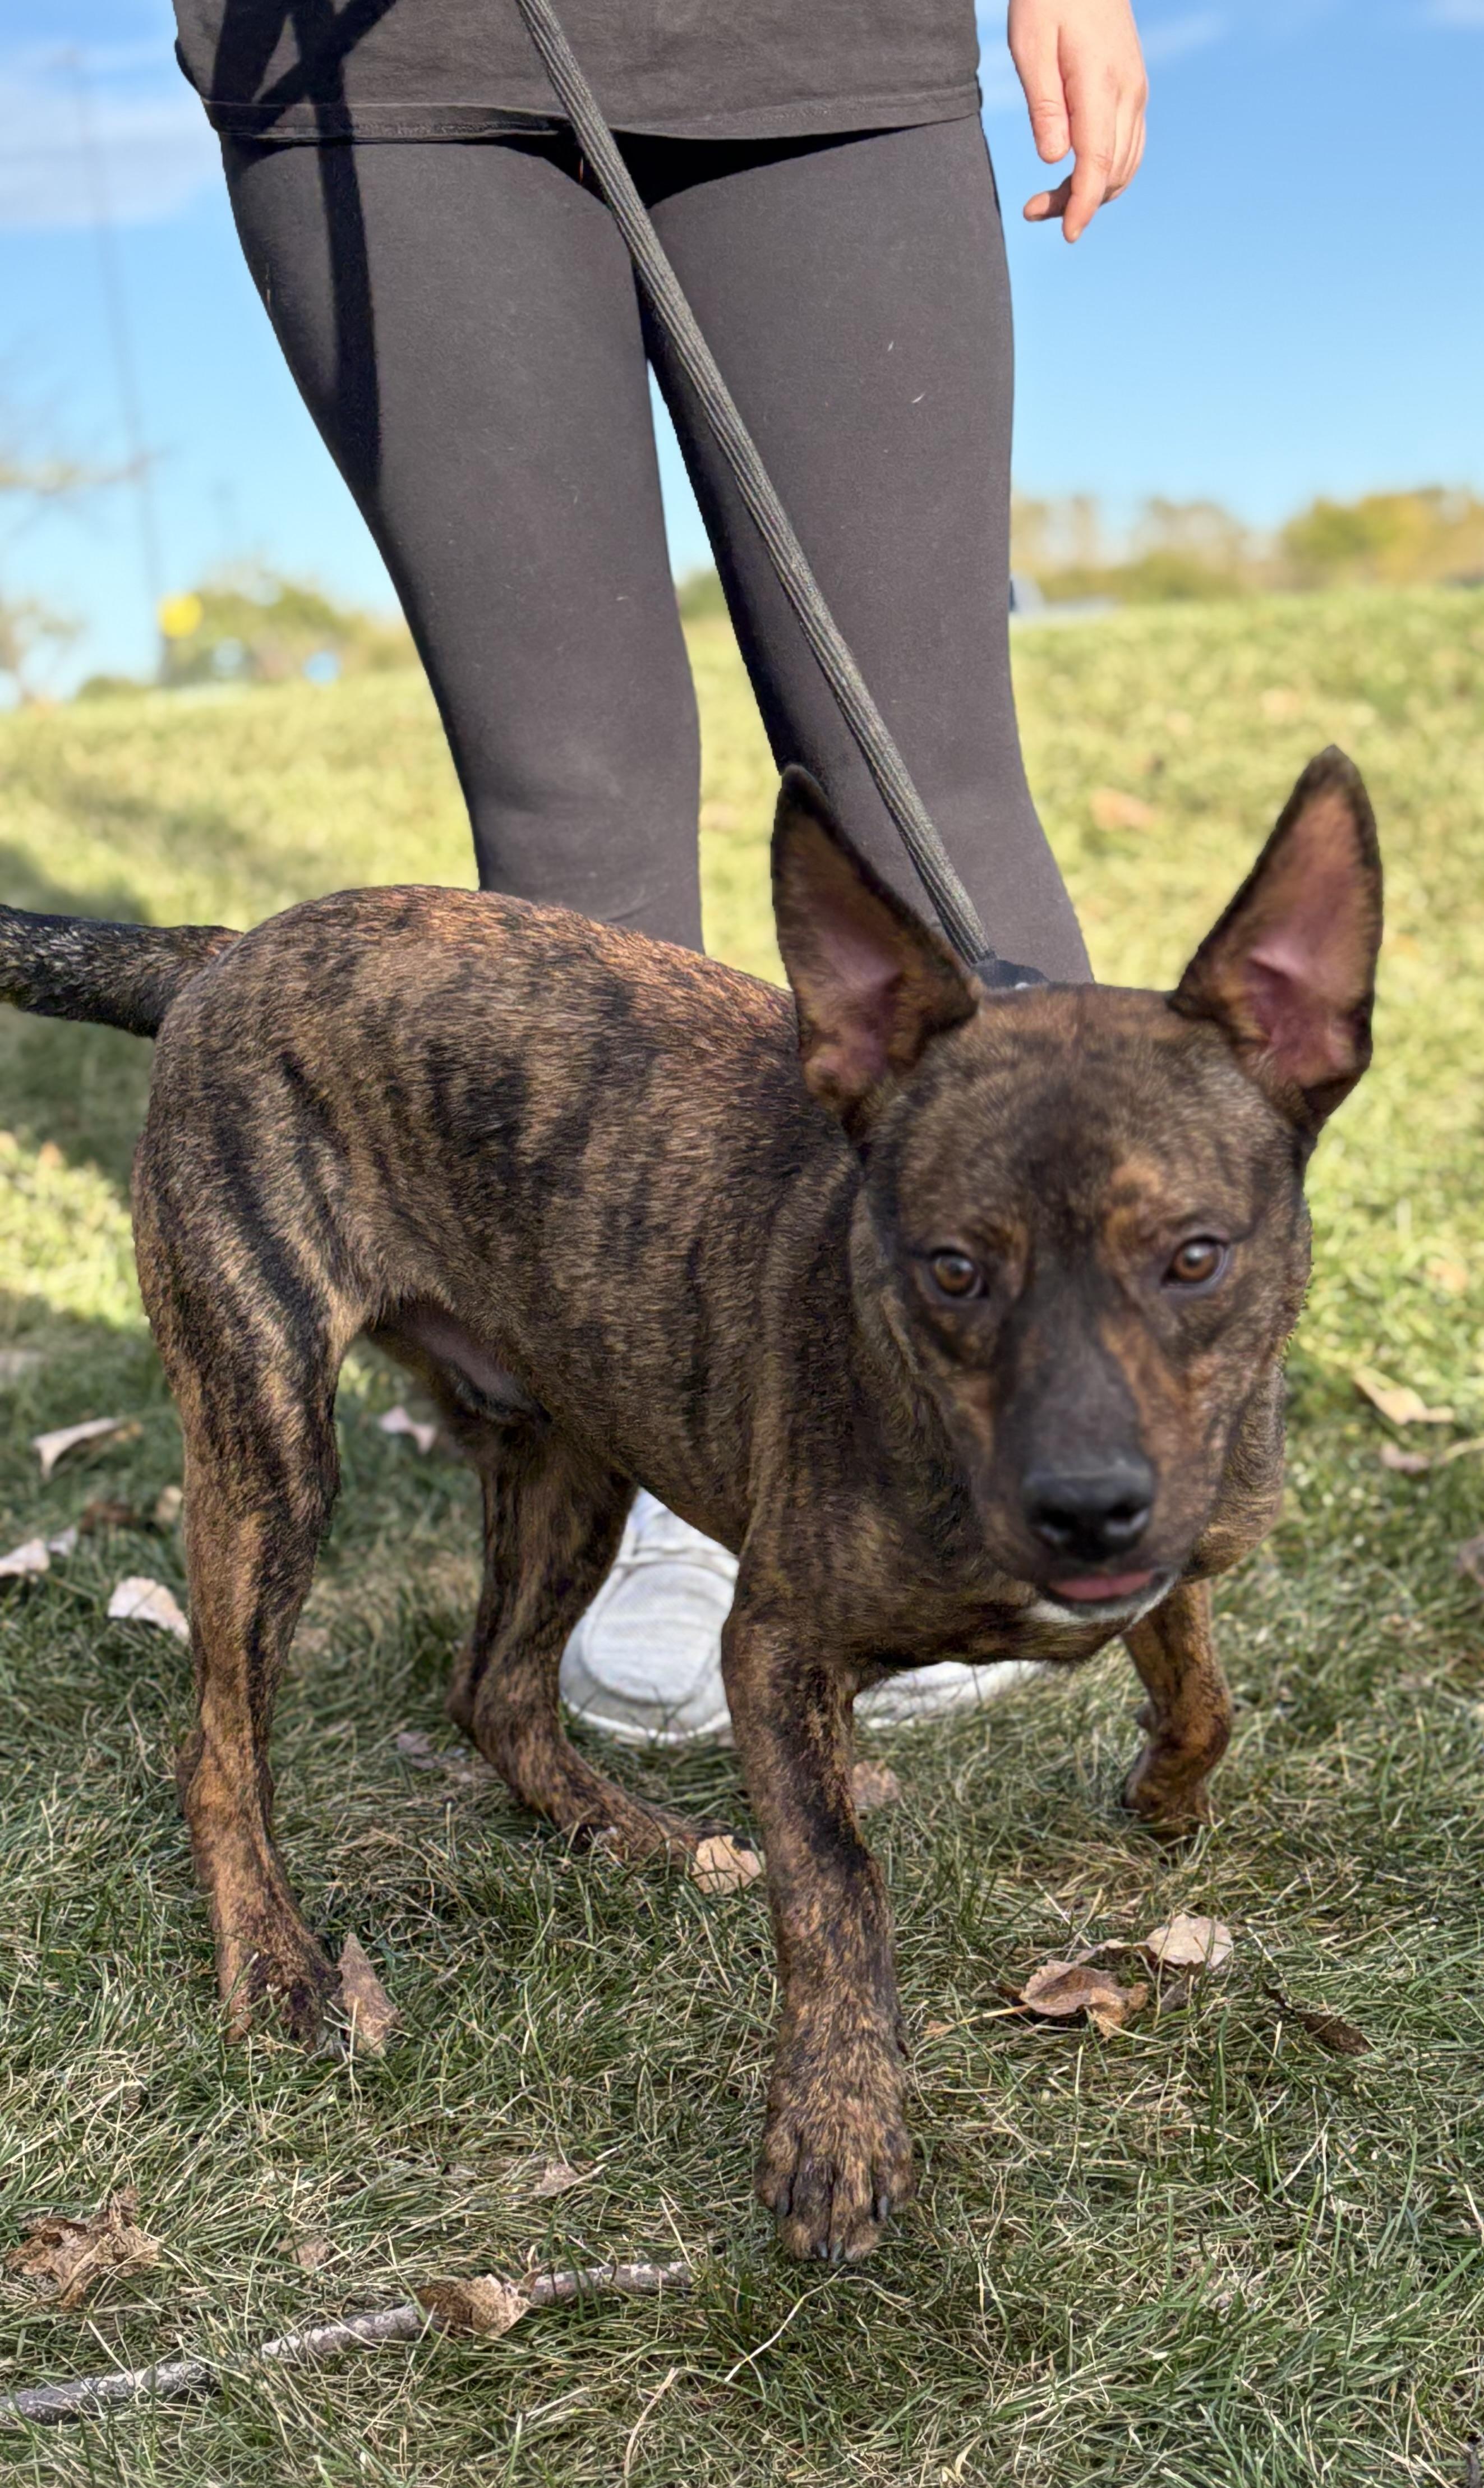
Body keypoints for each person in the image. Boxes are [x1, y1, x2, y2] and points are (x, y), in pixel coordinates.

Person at [172, 0, 1147, 1739]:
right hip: (380, 73)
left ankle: (1034, 1441)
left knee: (909, 765)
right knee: (571, 806)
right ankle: (672, 1498)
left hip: (812, 45)